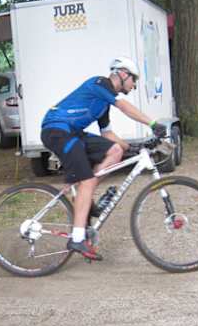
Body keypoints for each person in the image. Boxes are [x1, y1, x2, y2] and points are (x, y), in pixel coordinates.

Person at [40, 57, 167, 261]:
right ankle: (77, 237)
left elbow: (108, 135)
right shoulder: (100, 84)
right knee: (88, 180)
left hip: (73, 133)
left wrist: (133, 148)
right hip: (57, 130)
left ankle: (84, 195)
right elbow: (124, 107)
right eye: (133, 80)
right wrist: (152, 123)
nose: (134, 86)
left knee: (115, 151)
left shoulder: (102, 103)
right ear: (123, 74)